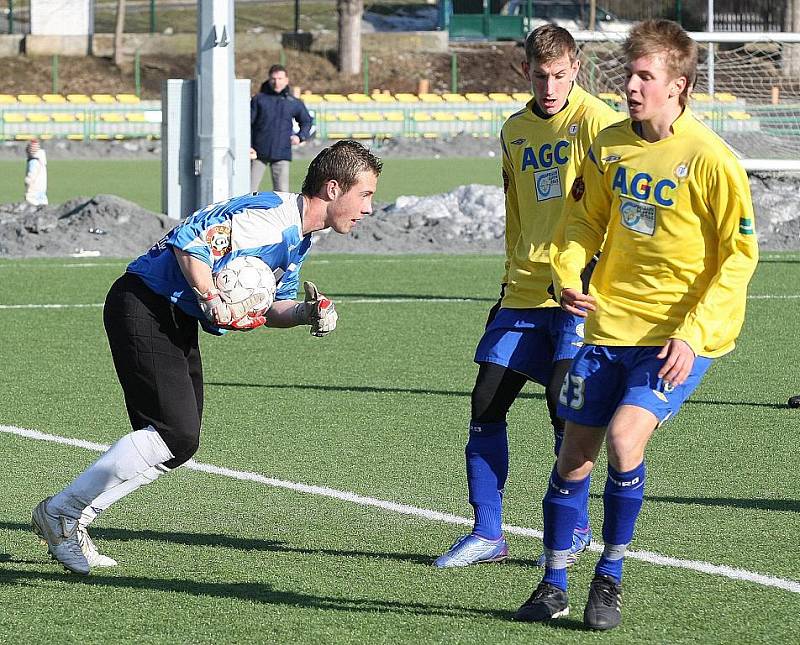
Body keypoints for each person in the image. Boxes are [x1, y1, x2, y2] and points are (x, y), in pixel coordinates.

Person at [32, 139, 382, 575]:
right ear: (333, 188)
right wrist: (211, 295)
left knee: (178, 444)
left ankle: (69, 517)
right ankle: (63, 513)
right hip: (144, 303)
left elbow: (270, 307)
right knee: (172, 434)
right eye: (364, 194)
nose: (368, 207)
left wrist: (308, 313)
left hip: (171, 315)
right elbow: (188, 243)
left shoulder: (298, 237)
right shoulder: (268, 220)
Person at [514, 20, 759, 630]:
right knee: (573, 455)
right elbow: (582, 223)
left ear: (679, 86)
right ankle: (553, 582)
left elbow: (738, 256)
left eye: (645, 76)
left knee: (625, 439)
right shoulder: (610, 144)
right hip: (605, 329)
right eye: (628, 74)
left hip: (676, 337)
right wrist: (569, 273)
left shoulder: (711, 159)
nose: (630, 86)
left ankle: (610, 577)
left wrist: (695, 333)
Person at [433, 24, 621, 569]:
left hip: (578, 290)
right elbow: (516, 210)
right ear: (525, 72)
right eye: (540, 75)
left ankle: (578, 525)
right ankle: (488, 533)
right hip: (521, 289)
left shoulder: (599, 124)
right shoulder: (513, 129)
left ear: (576, 69)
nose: (549, 86)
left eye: (560, 75)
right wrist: (507, 277)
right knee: (485, 403)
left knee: (566, 406)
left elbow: (610, 212)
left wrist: (595, 276)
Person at [250, 64, 313, 193]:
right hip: (257, 153)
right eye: (273, 79)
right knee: (248, 190)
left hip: (281, 152)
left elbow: (306, 121)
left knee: (282, 193)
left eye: (280, 78)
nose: (276, 82)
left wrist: (300, 136)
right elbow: (247, 124)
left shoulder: (292, 101)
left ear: (286, 80)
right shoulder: (259, 100)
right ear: (269, 79)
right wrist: (248, 145)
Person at [24, 138, 48, 206]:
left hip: (34, 189)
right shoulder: (42, 161)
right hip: (42, 188)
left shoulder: (33, 161)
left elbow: (32, 173)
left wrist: (27, 181)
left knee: (32, 205)